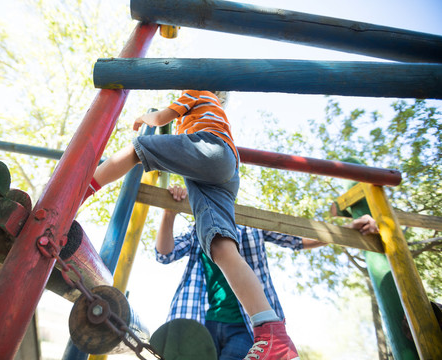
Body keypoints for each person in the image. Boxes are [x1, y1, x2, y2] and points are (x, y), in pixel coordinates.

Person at [82, 90, 300, 359]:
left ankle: (81, 190)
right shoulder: (214, 111)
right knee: (220, 247)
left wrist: (146, 117)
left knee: (139, 149)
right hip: (222, 169)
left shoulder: (197, 91)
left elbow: (162, 118)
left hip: (209, 149)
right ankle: (271, 333)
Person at [156, 185, 380, 360]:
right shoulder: (198, 229)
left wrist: (346, 230)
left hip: (246, 325)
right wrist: (169, 214)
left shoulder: (249, 224)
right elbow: (165, 254)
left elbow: (296, 239)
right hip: (205, 320)